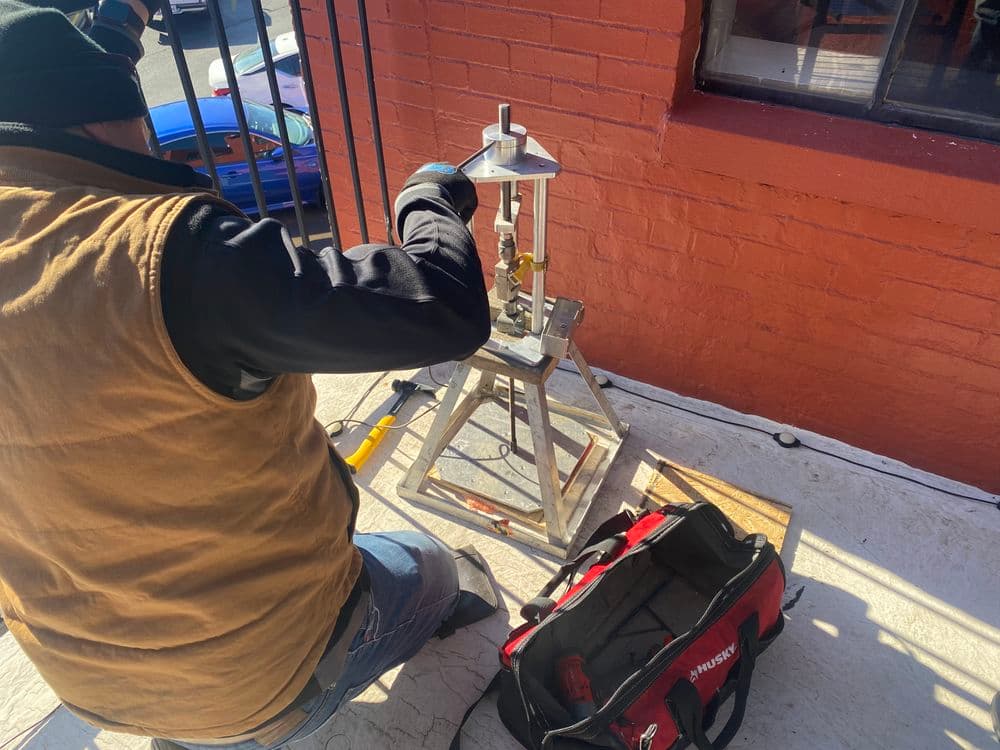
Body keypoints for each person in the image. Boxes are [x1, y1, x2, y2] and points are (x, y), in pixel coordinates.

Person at [0, 0, 496, 748]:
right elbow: (444, 306)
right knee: (438, 567)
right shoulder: (174, 261)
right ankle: (280, 706)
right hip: (259, 673)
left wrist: (124, 23)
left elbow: (79, 99)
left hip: (84, 677)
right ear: (103, 121)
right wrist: (427, 200)